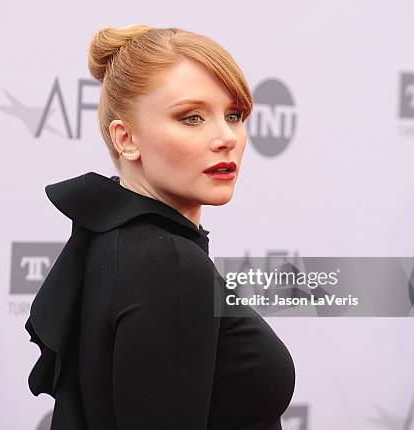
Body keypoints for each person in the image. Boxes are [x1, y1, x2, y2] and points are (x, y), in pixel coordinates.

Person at [25, 24, 295, 430]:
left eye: (234, 115)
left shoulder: (111, 239)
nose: (226, 137)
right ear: (126, 139)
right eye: (191, 118)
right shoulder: (168, 263)